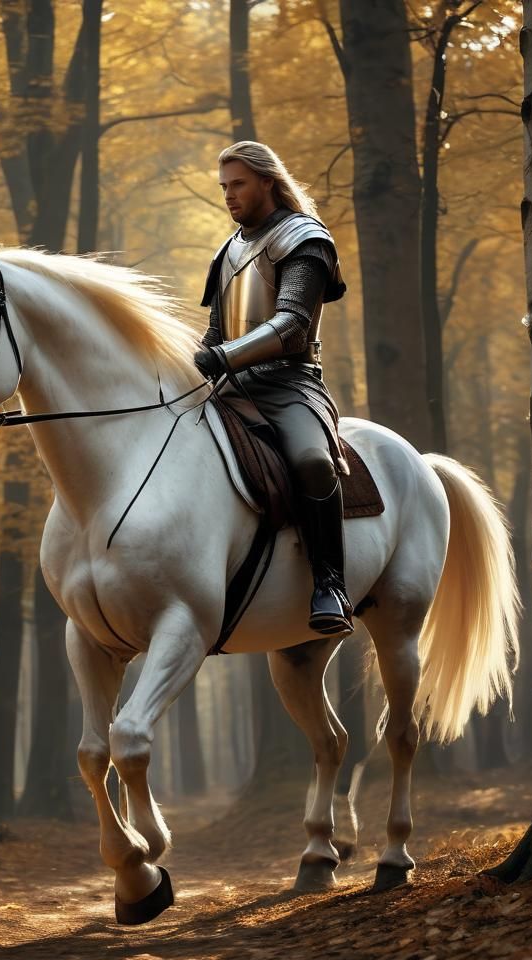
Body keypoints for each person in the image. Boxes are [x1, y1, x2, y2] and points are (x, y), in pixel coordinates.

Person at [194, 141, 353, 636]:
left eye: (238, 184)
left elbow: (291, 326)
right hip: (230, 385)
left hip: (289, 385)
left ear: (267, 180)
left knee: (311, 461)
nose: (229, 195)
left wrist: (222, 357)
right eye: (224, 186)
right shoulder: (230, 249)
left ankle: (331, 583)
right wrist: (190, 365)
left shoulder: (303, 238)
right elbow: (216, 334)